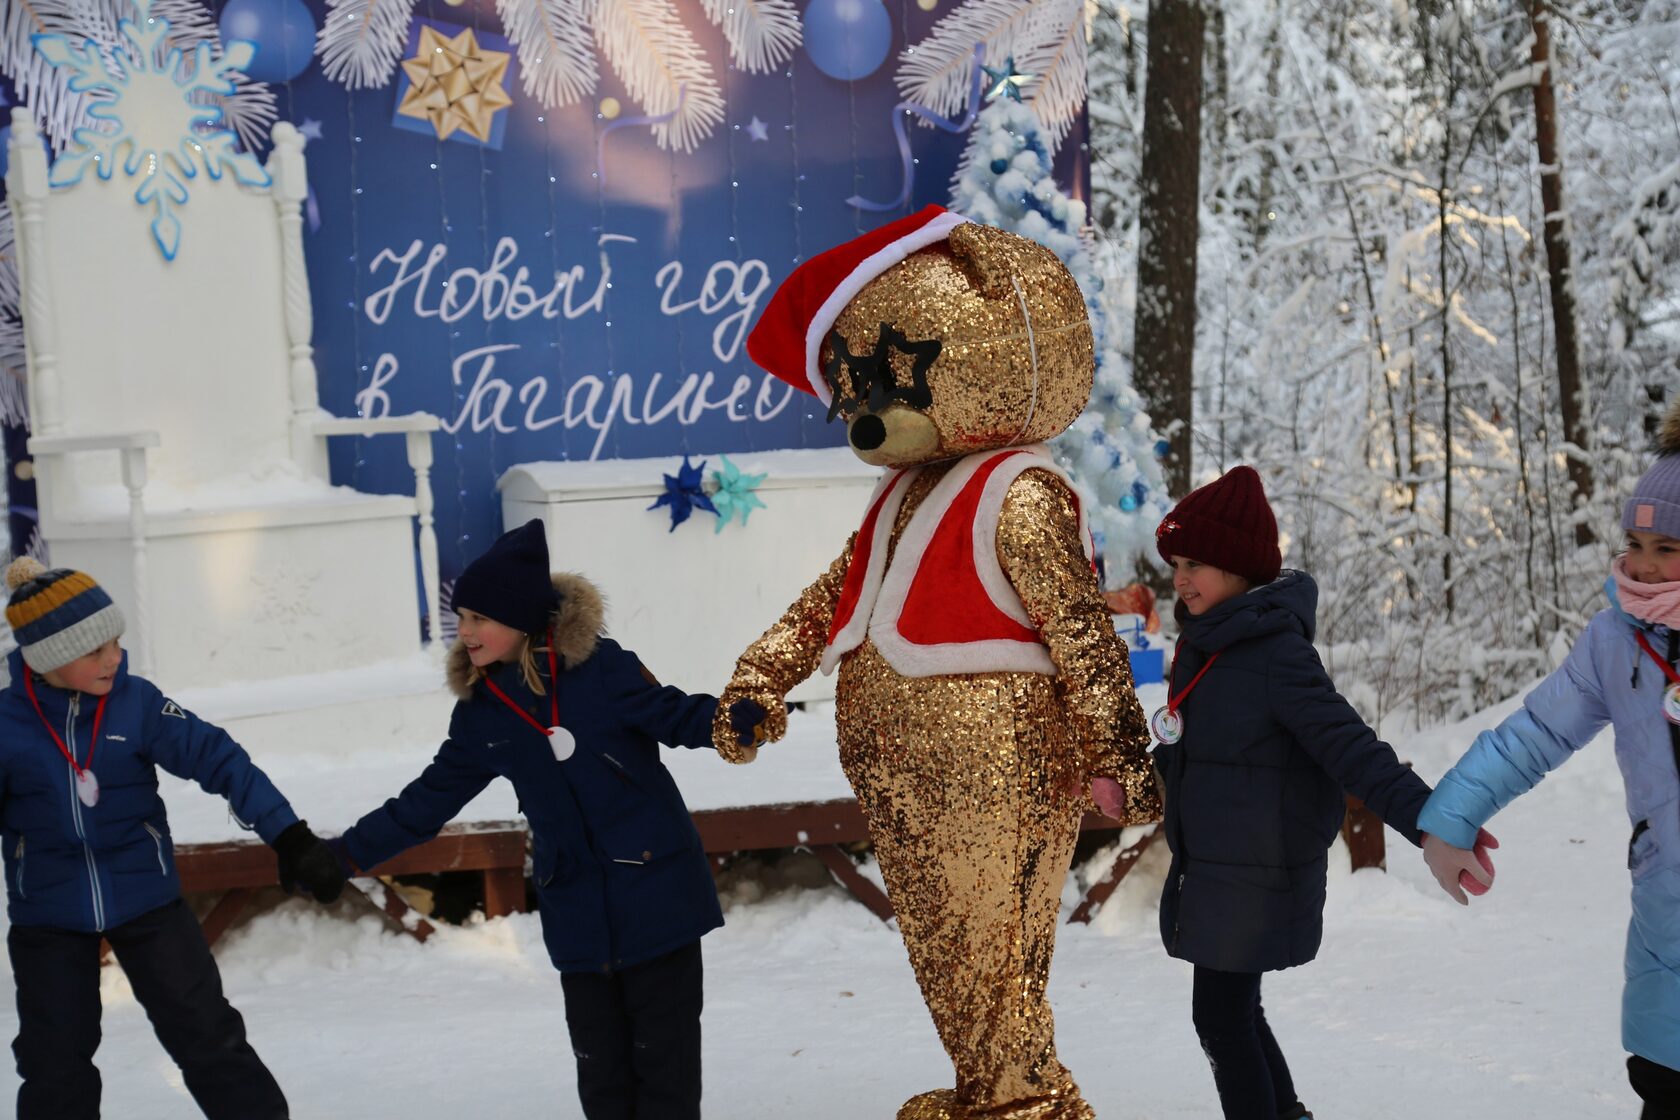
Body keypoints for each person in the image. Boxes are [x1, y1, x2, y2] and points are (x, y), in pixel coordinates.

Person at [333, 519, 753, 1120]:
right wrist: (342, 856)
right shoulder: (483, 715)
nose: (466, 632)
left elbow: (674, 715)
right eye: (463, 617)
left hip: (658, 897)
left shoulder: (602, 671)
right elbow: (425, 803)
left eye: (481, 618)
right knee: (604, 1087)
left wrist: (730, 722)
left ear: (522, 618)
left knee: (666, 1081)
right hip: (576, 912)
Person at [0, 555, 344, 1119]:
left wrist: (290, 836)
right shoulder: (8, 723)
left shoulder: (136, 703)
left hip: (147, 897)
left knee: (208, 1036)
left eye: (116, 641)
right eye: (96, 651)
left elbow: (220, 759)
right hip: (48, 910)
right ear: (50, 659)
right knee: (54, 1063)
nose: (116, 657)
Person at [1150, 466, 1445, 1120]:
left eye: (1194, 562)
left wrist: (1431, 820)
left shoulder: (1275, 653)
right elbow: (1207, 746)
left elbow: (1350, 746)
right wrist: (1148, 775)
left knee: (1220, 1019)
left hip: (1256, 873)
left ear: (1238, 567)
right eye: (1175, 562)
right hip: (1220, 869)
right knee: (1233, 1013)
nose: (1179, 578)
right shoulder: (1204, 644)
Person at [1419, 402, 1680, 1117]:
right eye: (1636, 544)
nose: (1645, 566)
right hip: (1669, 921)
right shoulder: (1614, 639)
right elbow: (1535, 734)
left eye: (1669, 550)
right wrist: (1452, 815)